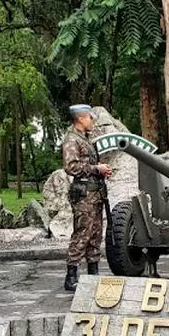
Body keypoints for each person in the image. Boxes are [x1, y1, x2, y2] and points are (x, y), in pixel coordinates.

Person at [61, 104, 113, 291]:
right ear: (81, 118)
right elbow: (71, 166)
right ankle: (71, 276)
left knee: (95, 234)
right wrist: (95, 169)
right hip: (84, 196)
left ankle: (93, 273)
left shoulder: (85, 139)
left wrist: (101, 170)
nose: (93, 121)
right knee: (82, 233)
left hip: (95, 194)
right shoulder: (71, 140)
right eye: (90, 118)